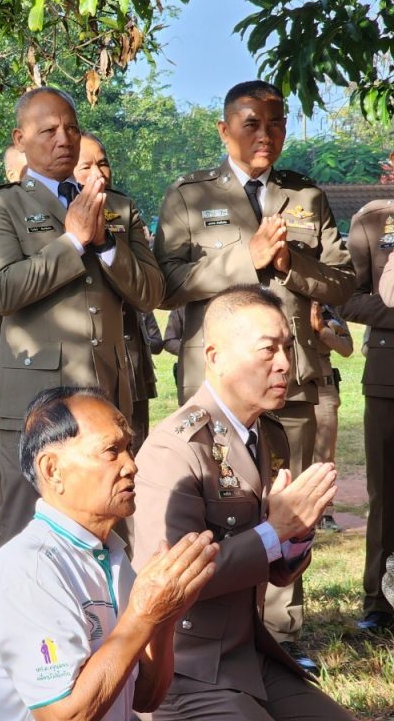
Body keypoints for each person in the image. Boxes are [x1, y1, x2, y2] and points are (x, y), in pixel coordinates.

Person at [154, 80, 353, 665]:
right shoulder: (190, 197)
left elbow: (343, 282)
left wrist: (291, 264)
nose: (266, 134)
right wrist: (247, 258)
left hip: (294, 380)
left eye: (276, 123)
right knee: (223, 501)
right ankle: (215, 626)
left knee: (290, 501)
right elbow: (165, 284)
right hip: (218, 387)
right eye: (251, 123)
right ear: (224, 130)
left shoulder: (306, 196)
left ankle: (282, 637)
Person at [133, 285, 353, 720]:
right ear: (215, 357)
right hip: (189, 668)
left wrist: (296, 533)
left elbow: (273, 566)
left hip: (248, 654)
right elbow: (175, 583)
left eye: (287, 347)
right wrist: (276, 529)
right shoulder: (175, 450)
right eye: (268, 350)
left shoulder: (265, 432)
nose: (285, 363)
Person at [0, 86, 163, 546]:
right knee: (26, 528)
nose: (64, 139)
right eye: (49, 130)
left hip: (106, 389)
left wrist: (106, 244)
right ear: (20, 139)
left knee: (113, 521)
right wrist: (72, 241)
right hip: (34, 399)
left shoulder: (116, 207)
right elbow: (2, 291)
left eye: (72, 128)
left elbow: (152, 292)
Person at [0, 386, 219, 721]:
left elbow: (145, 698)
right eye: (111, 451)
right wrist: (143, 615)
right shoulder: (30, 569)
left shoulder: (110, 554)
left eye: (128, 448)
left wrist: (164, 618)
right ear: (53, 470)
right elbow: (65, 717)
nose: (131, 465)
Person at [73, 133, 162, 451]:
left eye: (103, 163)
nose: (99, 174)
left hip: (127, 359)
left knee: (131, 457)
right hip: (73, 366)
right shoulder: (49, 210)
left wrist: (106, 244)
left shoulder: (123, 208)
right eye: (86, 166)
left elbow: (151, 290)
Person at [342, 197, 394, 633]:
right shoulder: (374, 221)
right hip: (388, 378)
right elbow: (348, 298)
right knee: (386, 494)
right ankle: (380, 601)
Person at [309, 301, 352, 532]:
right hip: (289, 389)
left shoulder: (329, 308)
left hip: (323, 390)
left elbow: (347, 348)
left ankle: (324, 512)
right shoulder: (280, 306)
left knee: (324, 455)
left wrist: (322, 329)